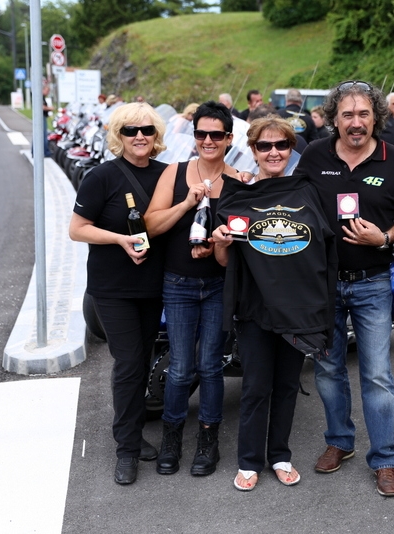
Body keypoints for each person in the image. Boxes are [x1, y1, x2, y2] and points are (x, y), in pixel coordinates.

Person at [295, 80, 394, 497]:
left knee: (377, 374)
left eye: (363, 113)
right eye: (347, 114)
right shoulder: (315, 155)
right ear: (334, 118)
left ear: (376, 117)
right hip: (322, 284)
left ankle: (384, 459)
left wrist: (383, 238)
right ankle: (339, 441)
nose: (355, 122)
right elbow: (291, 203)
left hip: (372, 283)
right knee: (328, 369)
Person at [212, 116, 338, 491]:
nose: (273, 152)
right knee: (255, 387)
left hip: (298, 308)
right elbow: (224, 261)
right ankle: (249, 462)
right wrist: (221, 242)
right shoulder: (238, 195)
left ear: (290, 149)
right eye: (264, 146)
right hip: (255, 308)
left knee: (286, 386)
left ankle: (280, 456)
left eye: (281, 145)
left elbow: (324, 247)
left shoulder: (307, 191)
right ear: (253, 151)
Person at [69, 102, 169, 485]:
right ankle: (126, 448)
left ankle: (133, 433)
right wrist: (119, 240)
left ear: (156, 135)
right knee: (128, 363)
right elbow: (77, 229)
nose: (139, 136)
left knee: (141, 361)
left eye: (146, 130)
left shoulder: (167, 174)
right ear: (118, 135)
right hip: (113, 288)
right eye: (130, 130)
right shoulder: (101, 177)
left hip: (153, 286)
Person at [144, 102, 239, 477]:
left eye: (216, 134)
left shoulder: (238, 181)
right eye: (201, 133)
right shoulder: (176, 172)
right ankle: (171, 439)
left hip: (218, 284)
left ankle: (207, 441)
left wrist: (219, 245)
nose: (208, 141)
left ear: (229, 138)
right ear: (194, 135)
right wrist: (186, 203)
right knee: (181, 367)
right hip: (178, 283)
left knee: (211, 367)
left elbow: (240, 240)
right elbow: (151, 225)